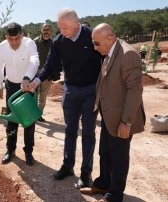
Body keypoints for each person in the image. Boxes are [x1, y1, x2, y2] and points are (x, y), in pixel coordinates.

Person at [28, 8, 102, 187]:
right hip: (70, 91)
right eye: (59, 28)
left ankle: (86, 174)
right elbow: (49, 65)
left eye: (65, 28)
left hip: (91, 91)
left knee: (88, 133)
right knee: (70, 130)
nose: (62, 32)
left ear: (76, 24)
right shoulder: (59, 41)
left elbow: (106, 59)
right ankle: (68, 166)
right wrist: (36, 80)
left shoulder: (92, 36)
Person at [80, 23, 146, 202]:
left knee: (119, 157)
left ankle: (114, 194)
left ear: (110, 38)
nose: (94, 47)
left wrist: (126, 122)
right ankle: (103, 183)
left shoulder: (128, 55)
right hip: (109, 116)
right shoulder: (109, 52)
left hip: (121, 118)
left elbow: (135, 90)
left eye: (96, 43)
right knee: (105, 153)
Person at [0, 22, 39, 166]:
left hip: (27, 86)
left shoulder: (29, 43)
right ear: (6, 37)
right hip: (11, 86)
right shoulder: (2, 46)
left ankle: (28, 152)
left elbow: (35, 60)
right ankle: (10, 150)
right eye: (11, 39)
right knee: (12, 120)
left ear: (22, 35)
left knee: (28, 121)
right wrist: (0, 85)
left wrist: (27, 77)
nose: (14, 43)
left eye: (17, 39)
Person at [33, 23, 53, 122]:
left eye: (47, 29)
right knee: (34, 96)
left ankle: (38, 115)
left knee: (43, 97)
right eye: (44, 29)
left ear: (51, 31)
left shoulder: (54, 43)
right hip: (35, 73)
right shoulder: (34, 42)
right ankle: (32, 114)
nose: (46, 31)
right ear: (41, 30)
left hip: (48, 75)